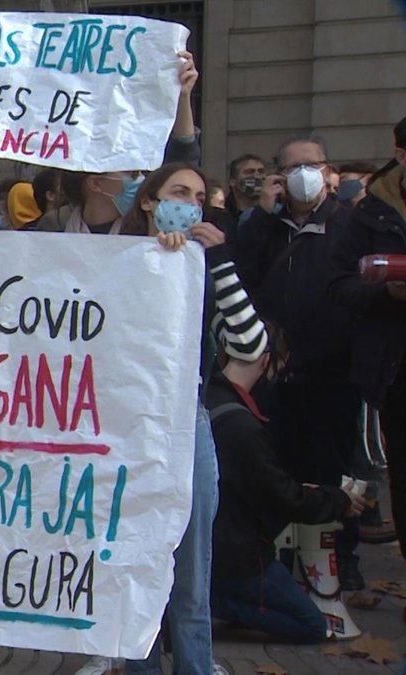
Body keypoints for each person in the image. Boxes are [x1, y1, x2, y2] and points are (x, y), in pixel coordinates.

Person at [77, 163, 268, 675]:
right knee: (132, 563)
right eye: (179, 193)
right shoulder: (118, 261)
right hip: (125, 427)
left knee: (191, 570)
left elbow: (250, 344)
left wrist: (218, 263)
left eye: (199, 198)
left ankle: (195, 666)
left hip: (186, 424)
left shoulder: (202, 266)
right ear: (148, 201)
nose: (191, 204)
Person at [234, 135, 364, 590]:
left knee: (333, 465)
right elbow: (239, 274)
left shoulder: (349, 224)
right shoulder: (266, 227)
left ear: (327, 172)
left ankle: (340, 558)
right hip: (275, 374)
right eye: (292, 168)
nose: (303, 175)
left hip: (334, 372)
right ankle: (279, 557)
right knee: (278, 468)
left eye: (312, 165)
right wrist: (261, 217)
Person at [208, 335, 365, 644]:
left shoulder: (207, 401)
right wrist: (338, 500)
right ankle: (213, 604)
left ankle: (211, 600)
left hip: (212, 545)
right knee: (311, 625)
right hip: (238, 557)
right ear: (266, 360)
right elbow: (284, 498)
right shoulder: (244, 427)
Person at [329, 115, 406, 561]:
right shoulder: (369, 215)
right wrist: (386, 293)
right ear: (400, 155)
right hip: (396, 369)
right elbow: (339, 285)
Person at [39, 51, 201, 236]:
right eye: (130, 174)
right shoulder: (55, 226)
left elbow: (183, 160)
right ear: (95, 183)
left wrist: (182, 96)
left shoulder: (150, 225)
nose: (140, 180)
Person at [224, 154, 266, 222]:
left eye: (261, 172)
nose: (257, 176)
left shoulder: (273, 213)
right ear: (232, 181)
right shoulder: (221, 215)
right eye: (249, 172)